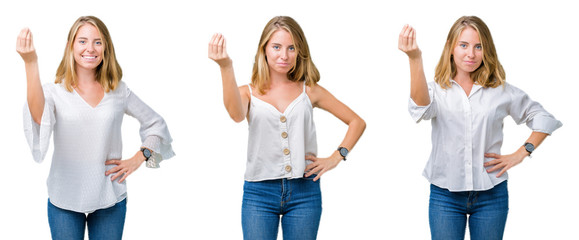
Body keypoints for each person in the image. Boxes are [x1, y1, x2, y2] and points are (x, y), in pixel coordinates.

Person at [398, 16, 562, 240]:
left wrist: (521, 153)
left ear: (487, 50)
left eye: (478, 47)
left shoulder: (501, 91)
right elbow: (420, 109)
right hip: (445, 196)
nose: (471, 54)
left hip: (491, 195)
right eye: (463, 45)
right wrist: (415, 58)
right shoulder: (436, 90)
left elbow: (543, 117)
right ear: (451, 48)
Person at [17, 16, 175, 240]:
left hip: (109, 197)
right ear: (71, 46)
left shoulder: (118, 90)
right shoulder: (55, 92)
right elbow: (37, 117)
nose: (90, 48)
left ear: (105, 48)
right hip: (64, 197)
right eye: (82, 41)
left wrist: (141, 158)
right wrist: (30, 62)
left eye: (97, 42)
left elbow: (157, 125)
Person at [209, 16, 365, 240]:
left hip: (305, 193)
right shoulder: (247, 93)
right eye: (277, 47)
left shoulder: (309, 90)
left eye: (291, 48)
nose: (284, 55)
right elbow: (235, 115)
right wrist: (226, 67)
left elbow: (357, 122)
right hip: (259, 194)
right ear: (264, 49)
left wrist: (335, 157)